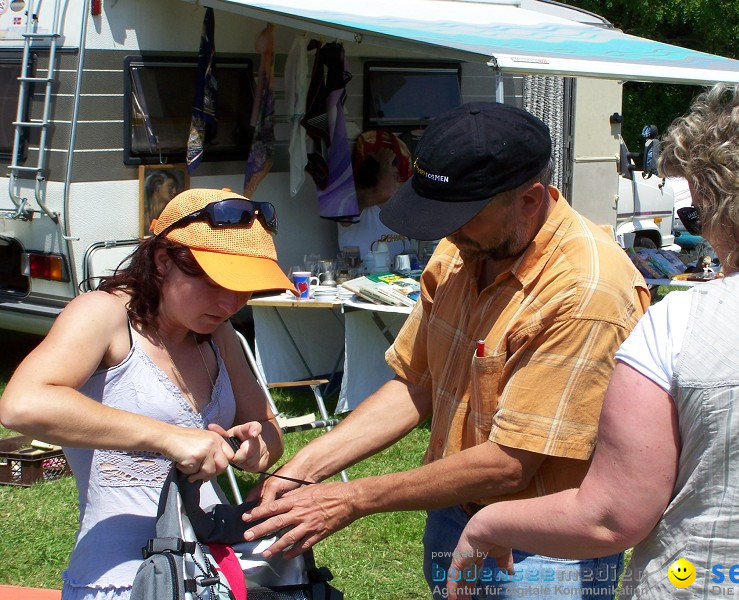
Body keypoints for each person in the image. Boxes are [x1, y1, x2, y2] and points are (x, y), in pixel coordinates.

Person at [444, 84, 739, 599]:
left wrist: (488, 525)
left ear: (731, 208)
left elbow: (612, 517)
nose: (703, 232)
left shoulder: (679, 323)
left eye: (697, 213)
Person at [240, 102, 650, 600]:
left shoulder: (586, 291)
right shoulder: (464, 248)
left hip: (544, 549)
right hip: (455, 514)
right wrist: (304, 467)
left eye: (462, 215)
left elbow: (511, 463)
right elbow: (416, 383)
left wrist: (352, 498)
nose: (446, 231)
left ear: (529, 199)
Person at [0, 188, 294, 599]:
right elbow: (21, 404)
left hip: (208, 567)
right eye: (214, 283)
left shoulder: (217, 334)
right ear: (162, 261)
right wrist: (168, 437)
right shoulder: (103, 314)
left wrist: (255, 448)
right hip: (121, 578)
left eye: (244, 287)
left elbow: (268, 430)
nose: (231, 302)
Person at [338, 129, 412, 259]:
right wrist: (385, 161)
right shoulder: (354, 201)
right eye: (392, 176)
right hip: (360, 275)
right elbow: (385, 192)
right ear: (375, 178)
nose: (397, 181)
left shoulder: (399, 210)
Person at [143, 169, 181, 235]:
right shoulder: (144, 214)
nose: (174, 191)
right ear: (157, 186)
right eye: (170, 187)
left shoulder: (173, 213)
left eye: (175, 187)